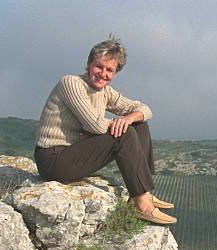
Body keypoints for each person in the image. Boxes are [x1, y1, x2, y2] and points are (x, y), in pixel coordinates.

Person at [34, 35, 176, 224]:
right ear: (89, 64)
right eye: (99, 66)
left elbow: (145, 109)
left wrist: (129, 118)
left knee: (138, 124)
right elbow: (93, 125)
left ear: (115, 73)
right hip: (54, 159)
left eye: (110, 70)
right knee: (124, 133)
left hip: (76, 155)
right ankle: (142, 205)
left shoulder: (105, 92)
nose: (103, 73)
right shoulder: (71, 83)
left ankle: (144, 193)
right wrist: (120, 123)